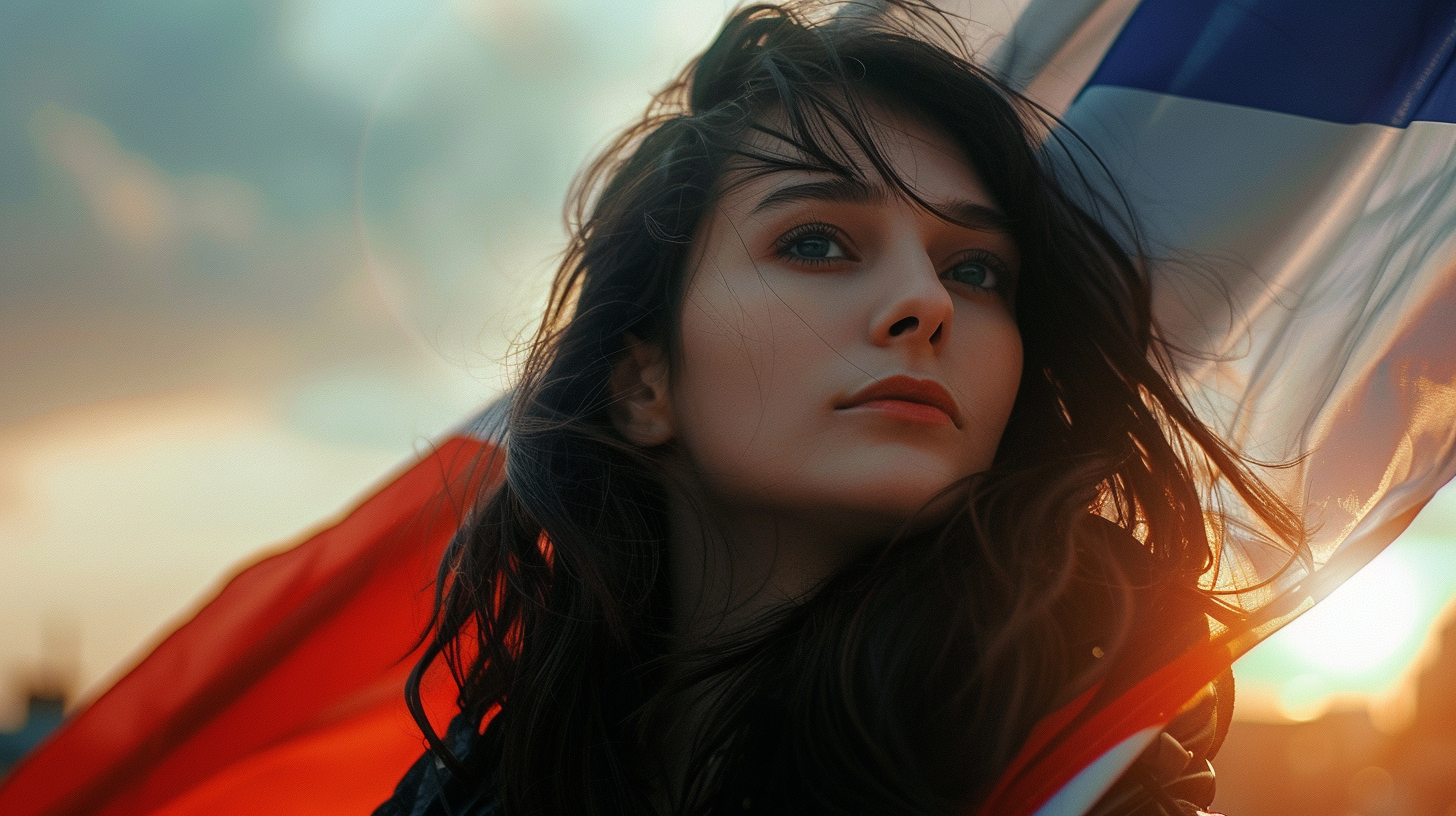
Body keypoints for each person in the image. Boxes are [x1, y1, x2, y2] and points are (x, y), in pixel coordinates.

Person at [375, 2, 1302, 814]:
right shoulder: (464, 793)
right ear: (643, 385)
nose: (927, 303)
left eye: (975, 271)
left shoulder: (1091, 791)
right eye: (817, 243)